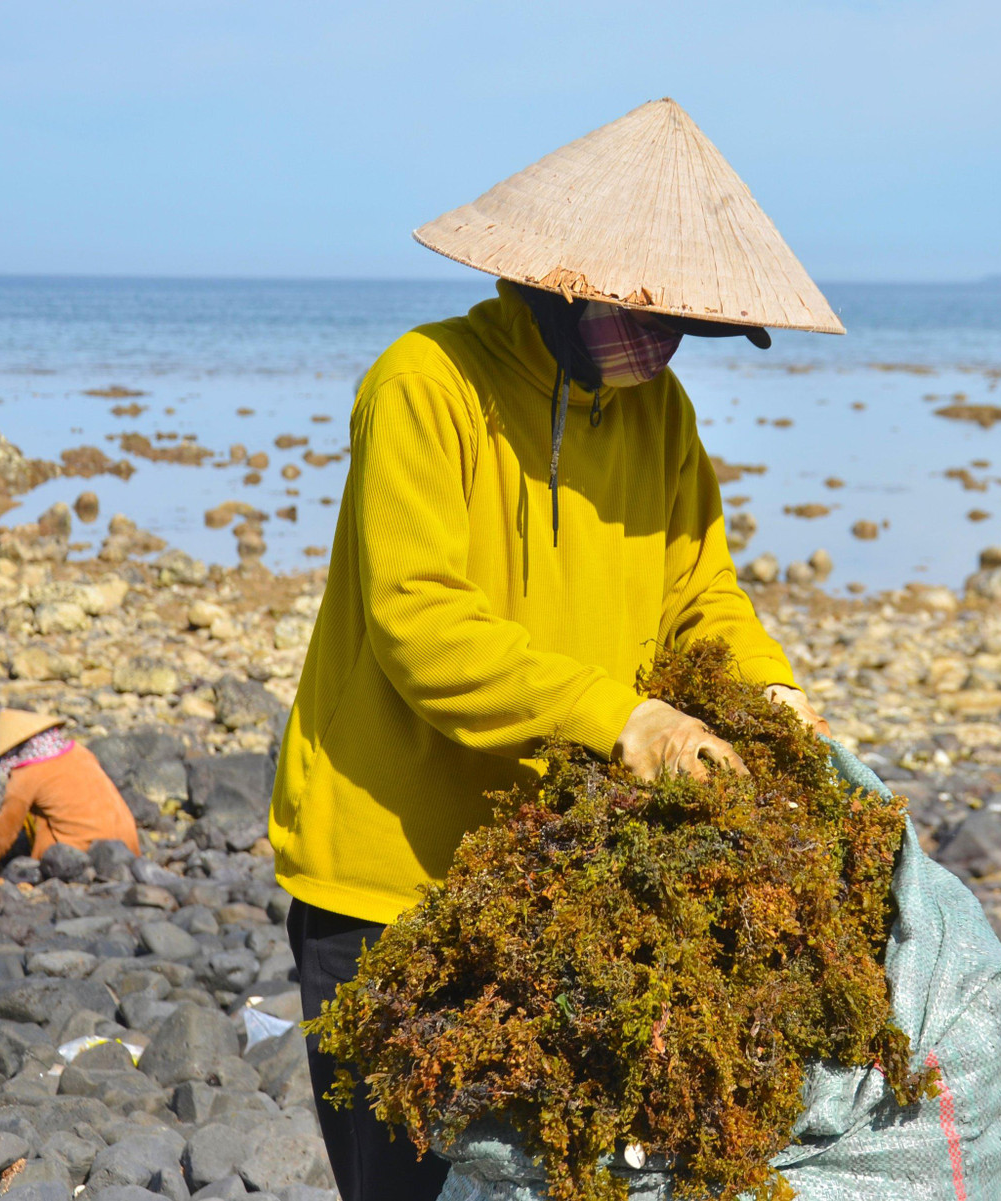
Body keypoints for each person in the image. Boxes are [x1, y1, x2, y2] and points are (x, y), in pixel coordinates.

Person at [268, 98, 845, 1201]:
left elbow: (699, 593)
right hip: (388, 879)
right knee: (401, 1184)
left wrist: (764, 687)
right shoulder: (423, 385)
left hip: (558, 874)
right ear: (553, 288)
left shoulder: (657, 413)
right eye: (643, 316)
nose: (663, 342)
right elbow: (420, 620)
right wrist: (622, 720)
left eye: (681, 322)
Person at [0, 708, 141, 877]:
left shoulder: (27, 775)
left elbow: (5, 831)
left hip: (79, 853)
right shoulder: (79, 751)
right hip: (128, 844)